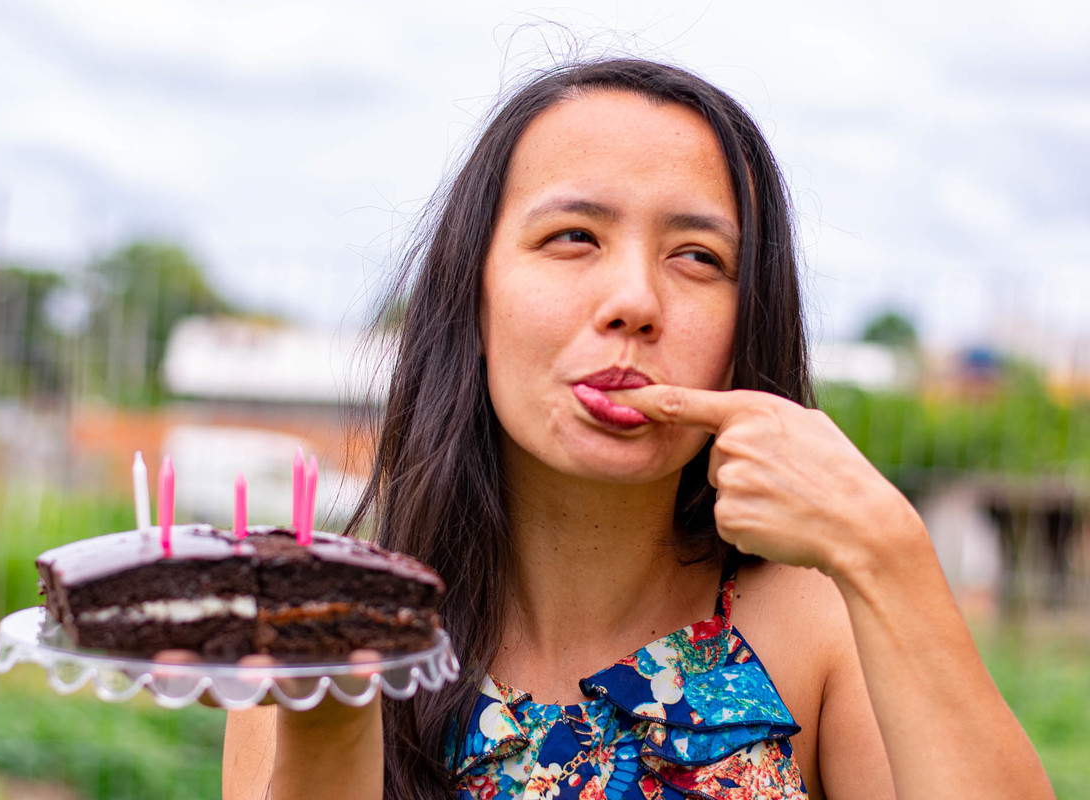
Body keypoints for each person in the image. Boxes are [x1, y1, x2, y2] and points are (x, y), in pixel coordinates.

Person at [222, 58, 1054, 800]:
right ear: (472, 298)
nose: (635, 302)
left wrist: (885, 549)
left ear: (750, 326)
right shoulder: (324, 626)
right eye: (573, 237)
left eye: (697, 257)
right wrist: (331, 720)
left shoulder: (823, 631)